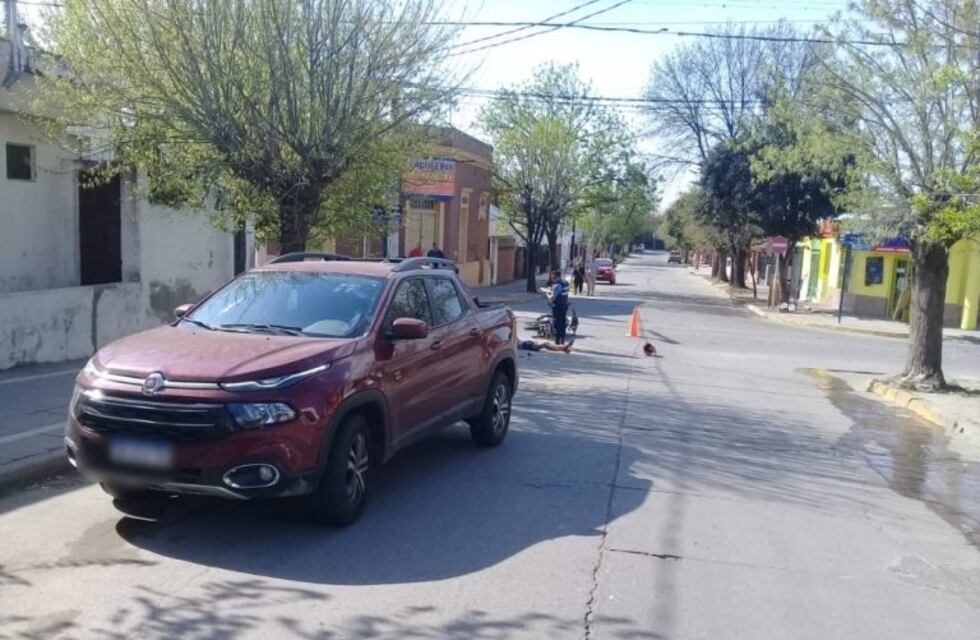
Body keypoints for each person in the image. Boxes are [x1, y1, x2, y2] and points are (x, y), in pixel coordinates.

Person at [545, 269, 569, 345]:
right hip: (564, 304)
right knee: (562, 322)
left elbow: (552, 299)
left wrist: (547, 294)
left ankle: (557, 340)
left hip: (557, 306)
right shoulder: (565, 283)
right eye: (552, 278)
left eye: (553, 278)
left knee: (557, 323)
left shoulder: (557, 286)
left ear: (557, 277)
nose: (552, 280)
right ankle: (562, 339)